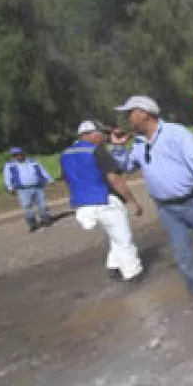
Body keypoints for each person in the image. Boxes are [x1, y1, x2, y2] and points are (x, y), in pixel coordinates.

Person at [110, 96, 193, 312]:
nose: (127, 119)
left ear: (144, 114)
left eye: (130, 113)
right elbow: (128, 166)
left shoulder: (177, 134)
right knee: (182, 253)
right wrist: (119, 148)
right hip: (167, 208)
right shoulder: (138, 143)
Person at [60, 120, 146, 281]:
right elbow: (114, 179)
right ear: (90, 134)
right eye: (102, 133)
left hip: (82, 204)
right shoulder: (96, 151)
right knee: (124, 240)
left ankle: (113, 266)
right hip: (105, 200)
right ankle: (133, 275)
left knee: (114, 235)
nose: (105, 136)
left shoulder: (65, 154)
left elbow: (68, 179)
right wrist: (132, 201)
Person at [3, 146, 53, 232]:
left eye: (19, 154)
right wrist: (10, 187)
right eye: (15, 155)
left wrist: (49, 179)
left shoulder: (32, 161)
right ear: (13, 156)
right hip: (23, 189)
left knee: (42, 204)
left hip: (37, 186)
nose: (18, 156)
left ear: (23, 153)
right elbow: (7, 177)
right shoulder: (10, 165)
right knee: (27, 206)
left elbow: (42, 170)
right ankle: (32, 224)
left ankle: (45, 219)